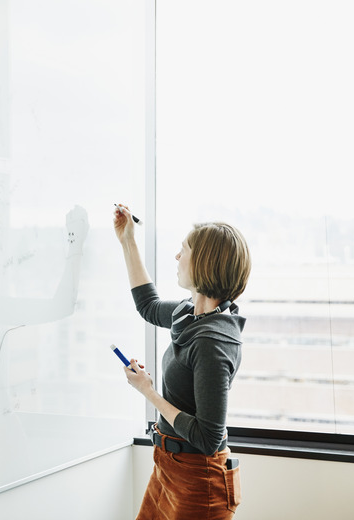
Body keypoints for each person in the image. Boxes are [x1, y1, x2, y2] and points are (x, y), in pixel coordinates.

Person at [113, 204, 251, 520]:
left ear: (204, 263)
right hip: (168, 465)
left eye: (183, 250)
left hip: (198, 479)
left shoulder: (213, 340)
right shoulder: (190, 314)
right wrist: (127, 241)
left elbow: (207, 437)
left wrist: (148, 392)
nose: (177, 257)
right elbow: (148, 305)